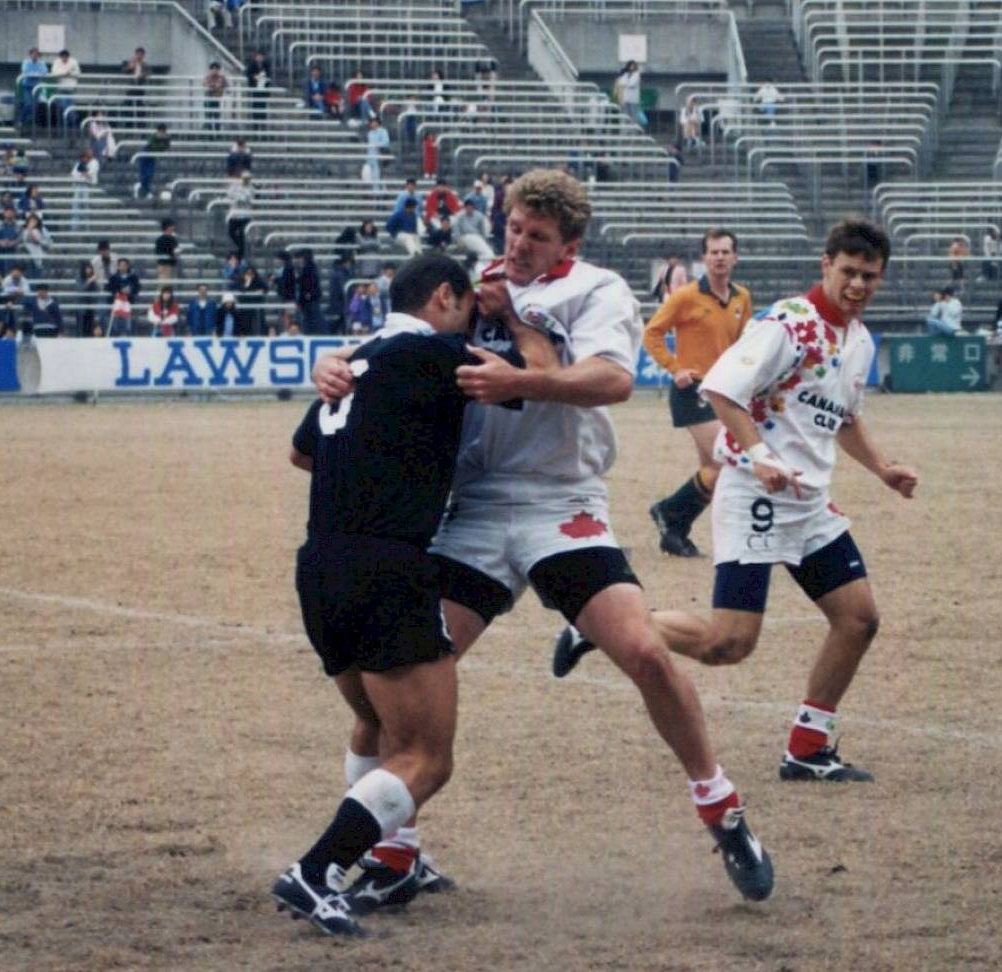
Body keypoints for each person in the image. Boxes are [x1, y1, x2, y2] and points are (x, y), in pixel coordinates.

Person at [313, 169, 775, 911]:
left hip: (563, 503)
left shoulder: (596, 290)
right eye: (514, 228)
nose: (520, 244)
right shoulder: (477, 288)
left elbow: (611, 381)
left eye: (538, 235)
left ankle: (722, 810)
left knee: (645, 653)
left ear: (570, 244)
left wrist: (522, 372)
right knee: (398, 684)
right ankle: (396, 854)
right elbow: (398, 346)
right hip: (474, 509)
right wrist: (333, 365)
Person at [556, 219, 920, 786]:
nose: (857, 285)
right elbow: (722, 389)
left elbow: (844, 418)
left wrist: (882, 468)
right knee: (727, 645)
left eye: (869, 277)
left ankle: (807, 749)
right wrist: (759, 454)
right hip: (756, 494)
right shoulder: (789, 324)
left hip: (808, 502)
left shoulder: (858, 340)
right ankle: (608, 628)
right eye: (848, 272)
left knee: (858, 620)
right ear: (826, 265)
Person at [275, 252, 558, 936]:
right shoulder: (433, 354)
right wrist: (519, 323)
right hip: (387, 568)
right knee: (427, 758)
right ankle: (316, 871)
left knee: (380, 729)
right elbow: (541, 377)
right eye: (468, 309)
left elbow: (303, 451)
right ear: (444, 297)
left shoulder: (359, 359)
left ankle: (390, 855)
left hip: (321, 565)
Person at [643, 229, 752, 557]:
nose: (719, 257)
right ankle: (668, 511)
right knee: (729, 460)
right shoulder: (686, 296)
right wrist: (675, 368)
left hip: (725, 391)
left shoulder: (742, 297)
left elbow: (744, 345)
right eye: (713, 252)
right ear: (704, 258)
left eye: (725, 252)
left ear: (735, 257)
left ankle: (674, 528)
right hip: (694, 391)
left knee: (715, 473)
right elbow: (652, 334)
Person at [225, 172, 254, 259]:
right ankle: (240, 249)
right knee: (231, 232)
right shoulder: (235, 186)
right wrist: (238, 197)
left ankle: (240, 253)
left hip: (245, 215)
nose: (246, 180)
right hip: (234, 214)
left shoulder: (251, 188)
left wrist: (239, 197)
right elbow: (230, 195)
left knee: (242, 234)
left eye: (247, 179)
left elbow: (247, 198)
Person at [70, 149, 99, 233]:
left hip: (88, 186)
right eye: (87, 153)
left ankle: (87, 229)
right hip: (78, 185)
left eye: (90, 153)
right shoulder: (79, 163)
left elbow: (90, 174)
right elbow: (73, 174)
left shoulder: (94, 162)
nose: (89, 155)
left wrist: (83, 174)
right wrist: (83, 174)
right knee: (75, 206)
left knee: (86, 207)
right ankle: (74, 228)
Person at [19, 48, 48, 126]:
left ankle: (33, 122)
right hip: (28, 86)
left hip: (37, 86)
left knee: (35, 105)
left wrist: (34, 74)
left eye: (37, 54)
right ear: (30, 55)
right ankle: (21, 120)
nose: (35, 56)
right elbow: (26, 72)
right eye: (34, 54)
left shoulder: (41, 63)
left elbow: (44, 72)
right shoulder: (26, 62)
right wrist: (36, 74)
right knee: (28, 104)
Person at [138, 124, 169, 198]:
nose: (161, 134)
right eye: (160, 132)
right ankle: (143, 190)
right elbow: (154, 147)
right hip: (145, 156)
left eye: (163, 132)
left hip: (152, 158)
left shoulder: (166, 138)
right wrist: (160, 146)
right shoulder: (153, 137)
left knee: (149, 174)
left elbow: (166, 146)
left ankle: (146, 190)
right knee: (144, 174)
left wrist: (161, 145)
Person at [614, 60, 646, 128]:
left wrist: (625, 83)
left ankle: (634, 131)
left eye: (633, 66)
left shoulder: (637, 75)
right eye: (631, 65)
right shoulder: (625, 74)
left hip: (634, 99)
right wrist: (626, 82)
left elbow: (632, 84)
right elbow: (621, 83)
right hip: (626, 99)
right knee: (625, 116)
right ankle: (626, 131)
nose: (632, 67)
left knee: (634, 116)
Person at [363, 117, 390, 191]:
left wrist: (377, 144)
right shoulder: (369, 133)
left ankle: (383, 192)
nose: (373, 124)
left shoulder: (383, 131)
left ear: (378, 123)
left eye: (375, 122)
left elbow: (386, 143)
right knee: (373, 176)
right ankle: (376, 191)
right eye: (372, 122)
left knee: (380, 175)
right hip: (371, 157)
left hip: (380, 157)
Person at [203, 62, 227, 132]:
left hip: (217, 100)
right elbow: (205, 84)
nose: (214, 70)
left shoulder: (221, 77)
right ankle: (209, 131)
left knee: (217, 116)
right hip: (208, 99)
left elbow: (225, 85)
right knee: (208, 116)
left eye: (216, 69)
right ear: (210, 70)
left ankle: (217, 131)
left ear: (219, 70)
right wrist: (214, 86)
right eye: (213, 69)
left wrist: (218, 86)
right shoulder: (207, 77)